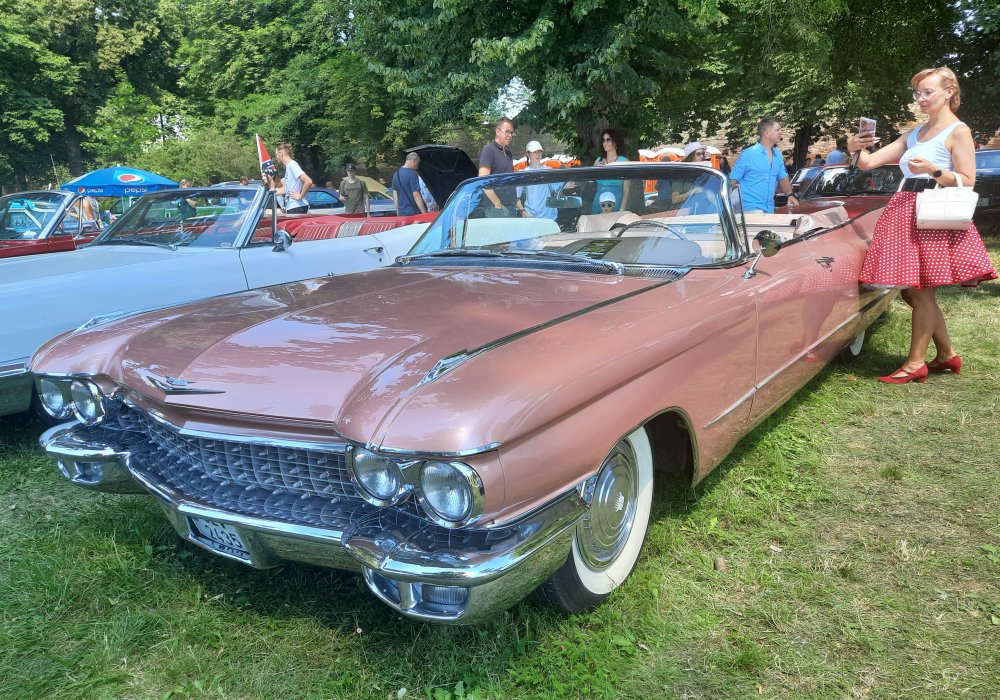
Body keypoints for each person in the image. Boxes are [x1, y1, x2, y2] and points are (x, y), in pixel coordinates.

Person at [850, 66, 996, 384]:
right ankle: (946, 354)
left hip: (933, 213)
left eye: (927, 91)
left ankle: (915, 363)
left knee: (922, 293)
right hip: (904, 209)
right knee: (913, 293)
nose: (921, 98)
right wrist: (856, 146)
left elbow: (967, 181)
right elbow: (869, 163)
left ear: (950, 92)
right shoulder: (914, 133)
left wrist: (932, 170)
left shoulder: (958, 131)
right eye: (918, 92)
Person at [729, 119, 799, 213]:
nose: (781, 133)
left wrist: (790, 195)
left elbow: (782, 178)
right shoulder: (748, 154)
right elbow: (732, 180)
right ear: (767, 134)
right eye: (777, 130)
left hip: (769, 210)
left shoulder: (777, 155)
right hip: (749, 210)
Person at [479, 117, 516, 215]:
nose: (510, 135)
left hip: (511, 207)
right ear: (498, 131)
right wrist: (498, 205)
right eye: (507, 132)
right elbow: (483, 180)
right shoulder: (489, 150)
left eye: (511, 133)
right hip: (495, 209)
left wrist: (520, 207)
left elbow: (511, 180)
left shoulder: (508, 152)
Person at [515, 141, 560, 219]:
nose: (538, 154)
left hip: (549, 216)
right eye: (534, 152)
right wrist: (523, 211)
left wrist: (569, 183)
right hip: (531, 217)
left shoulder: (549, 171)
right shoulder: (522, 174)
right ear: (528, 154)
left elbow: (559, 187)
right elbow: (515, 197)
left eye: (539, 151)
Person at [592, 128, 630, 213]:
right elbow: (592, 183)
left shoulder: (624, 162)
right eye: (603, 140)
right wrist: (595, 169)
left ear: (615, 142)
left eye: (608, 140)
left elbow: (626, 190)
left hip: (615, 204)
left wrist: (622, 209)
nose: (605, 143)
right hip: (598, 203)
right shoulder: (598, 160)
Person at [274, 142, 313, 214]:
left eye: (276, 155)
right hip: (292, 206)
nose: (276, 157)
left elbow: (308, 181)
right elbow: (288, 189)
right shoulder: (289, 167)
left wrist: (300, 196)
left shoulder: (292, 165)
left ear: (281, 153)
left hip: (297, 206)